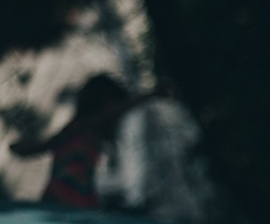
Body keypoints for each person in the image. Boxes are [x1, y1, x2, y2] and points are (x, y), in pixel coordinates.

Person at [9, 74, 168, 209]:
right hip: (67, 195)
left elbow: (43, 146)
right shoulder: (84, 126)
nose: (117, 119)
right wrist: (150, 95)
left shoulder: (76, 130)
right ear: (102, 103)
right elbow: (114, 112)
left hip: (71, 195)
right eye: (113, 104)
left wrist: (22, 148)